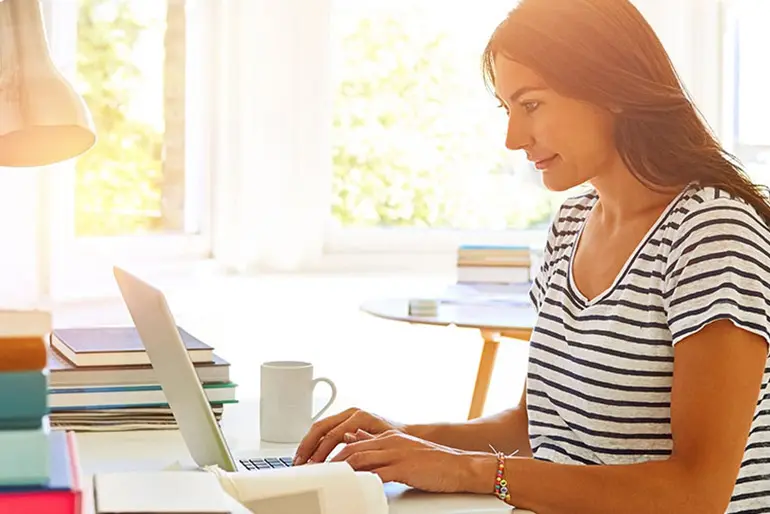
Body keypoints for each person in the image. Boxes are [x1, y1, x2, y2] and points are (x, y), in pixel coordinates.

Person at [294, 0, 770, 512]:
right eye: (507, 109)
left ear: (611, 89)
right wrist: (401, 439)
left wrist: (467, 471)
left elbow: (696, 493)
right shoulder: (573, 223)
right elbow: (533, 426)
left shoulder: (713, 234)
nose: (513, 138)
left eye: (532, 105)